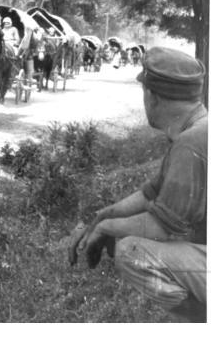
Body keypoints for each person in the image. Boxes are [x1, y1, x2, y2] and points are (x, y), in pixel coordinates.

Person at [67, 46, 207, 322]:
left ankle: (200, 322)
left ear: (152, 96)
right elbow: (150, 194)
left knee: (132, 252)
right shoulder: (198, 131)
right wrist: (104, 216)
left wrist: (107, 228)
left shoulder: (191, 144)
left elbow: (162, 227)